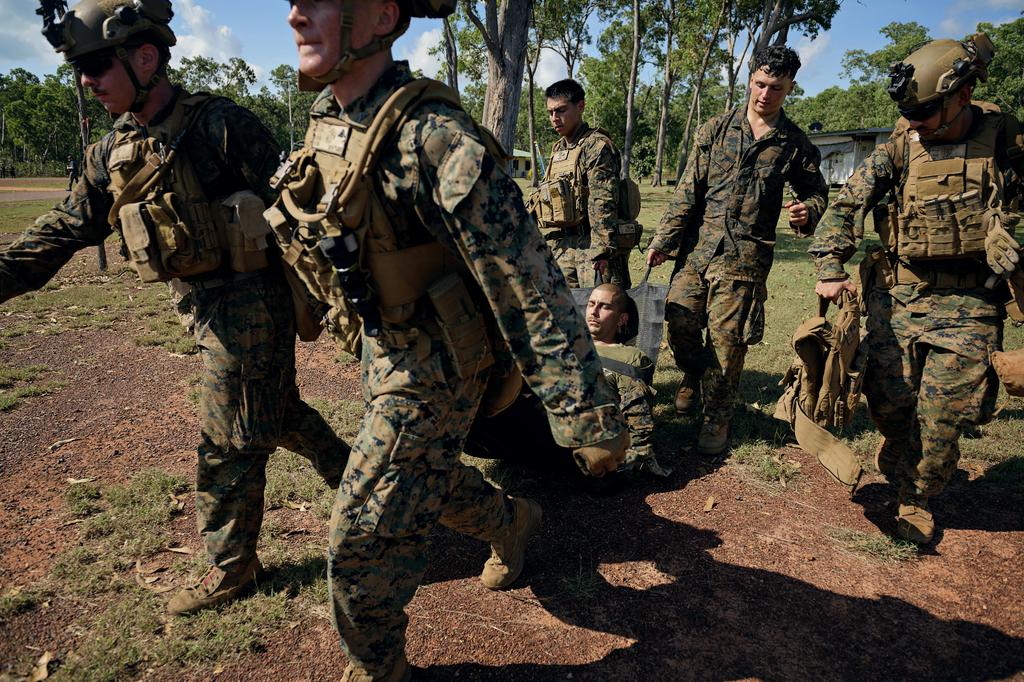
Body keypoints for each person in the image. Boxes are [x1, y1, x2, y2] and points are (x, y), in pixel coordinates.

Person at [276, 1, 629, 678]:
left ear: (380, 14)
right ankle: (510, 522)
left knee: (361, 539)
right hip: (383, 347)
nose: (296, 16)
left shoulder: (436, 139)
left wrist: (587, 415)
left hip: (441, 364)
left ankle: (378, 669)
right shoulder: (329, 119)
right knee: (423, 478)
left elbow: (528, 283)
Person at [0, 0, 349, 615]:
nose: (86, 80)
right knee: (278, 415)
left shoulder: (220, 125)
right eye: (80, 68)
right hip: (203, 311)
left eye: (96, 65)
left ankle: (231, 567)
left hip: (253, 308)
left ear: (145, 58)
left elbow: (301, 209)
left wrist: (341, 298)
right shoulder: (113, 151)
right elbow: (67, 226)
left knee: (227, 439)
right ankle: (378, 487)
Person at [809, 34, 1023, 544]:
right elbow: (849, 202)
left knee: (943, 412)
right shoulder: (903, 143)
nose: (916, 121)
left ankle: (916, 497)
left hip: (972, 299)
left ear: (963, 95)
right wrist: (831, 262)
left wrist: (1013, 234)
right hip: (901, 293)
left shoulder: (1005, 140)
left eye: (925, 111)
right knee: (888, 400)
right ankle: (899, 446)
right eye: (909, 112)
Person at [647, 45, 828, 456]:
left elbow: (817, 192)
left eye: (776, 88)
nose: (766, 94)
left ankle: (717, 416)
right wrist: (663, 241)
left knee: (728, 342)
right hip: (697, 250)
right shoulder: (715, 129)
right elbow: (687, 191)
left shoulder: (794, 143)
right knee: (680, 323)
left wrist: (808, 211)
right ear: (750, 79)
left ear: (790, 87)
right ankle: (694, 374)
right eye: (760, 84)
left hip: (745, 258)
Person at [530, 78, 641, 288]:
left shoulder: (597, 146)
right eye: (550, 112)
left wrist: (602, 251)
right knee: (566, 306)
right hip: (564, 246)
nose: (554, 118)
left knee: (602, 306)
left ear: (580, 106)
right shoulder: (558, 149)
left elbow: (603, 201)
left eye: (561, 110)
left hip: (594, 247)